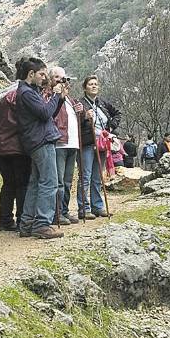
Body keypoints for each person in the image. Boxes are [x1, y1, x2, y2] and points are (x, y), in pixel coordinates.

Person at [15, 57, 65, 239]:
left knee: (36, 183)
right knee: (50, 182)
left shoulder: (29, 91)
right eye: (42, 74)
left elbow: (47, 112)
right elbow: (45, 113)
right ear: (31, 74)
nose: (44, 77)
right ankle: (42, 224)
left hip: (37, 141)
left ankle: (27, 223)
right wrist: (55, 96)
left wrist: (59, 99)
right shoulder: (27, 93)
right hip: (41, 141)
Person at [76, 75, 120, 219]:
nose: (94, 86)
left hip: (101, 143)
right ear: (85, 88)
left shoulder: (102, 103)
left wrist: (111, 128)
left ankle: (97, 206)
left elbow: (117, 113)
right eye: (90, 84)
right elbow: (74, 123)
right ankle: (84, 208)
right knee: (85, 175)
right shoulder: (80, 103)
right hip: (87, 142)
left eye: (95, 84)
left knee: (97, 176)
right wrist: (83, 117)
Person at [0, 79, 31, 231]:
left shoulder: (3, 100)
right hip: (18, 147)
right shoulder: (23, 99)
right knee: (22, 184)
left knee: (8, 184)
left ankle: (5, 220)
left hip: (2, 146)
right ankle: (22, 218)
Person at [48, 66, 81, 225]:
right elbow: (49, 114)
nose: (61, 81)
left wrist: (81, 112)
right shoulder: (50, 95)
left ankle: (65, 210)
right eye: (57, 78)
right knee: (59, 181)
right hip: (59, 142)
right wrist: (56, 94)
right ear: (50, 80)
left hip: (72, 143)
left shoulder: (69, 98)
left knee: (68, 181)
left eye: (64, 78)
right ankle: (57, 213)